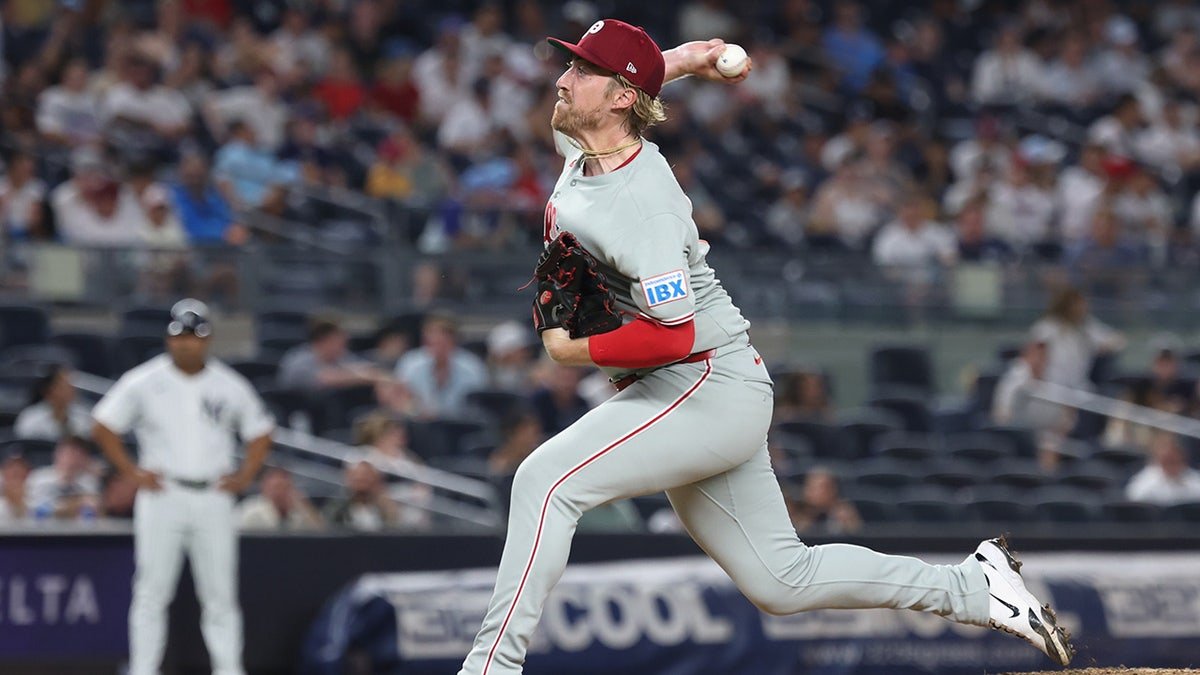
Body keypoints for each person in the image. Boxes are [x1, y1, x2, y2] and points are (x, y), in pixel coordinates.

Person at [456, 21, 1073, 675]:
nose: (562, 79)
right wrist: (690, 59)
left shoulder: (645, 208)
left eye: (581, 71)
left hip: (703, 384)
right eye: (571, 65)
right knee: (783, 579)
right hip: (697, 384)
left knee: (545, 482)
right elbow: (633, 78)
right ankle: (978, 588)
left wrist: (570, 351)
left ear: (617, 100)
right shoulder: (580, 134)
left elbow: (674, 333)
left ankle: (490, 666)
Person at [92, 299, 275, 675]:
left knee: (220, 594)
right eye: (181, 337)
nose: (187, 344)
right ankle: (144, 670)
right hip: (163, 494)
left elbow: (260, 432)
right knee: (151, 591)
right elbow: (104, 424)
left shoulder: (228, 384)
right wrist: (130, 471)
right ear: (169, 339)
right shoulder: (144, 380)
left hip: (213, 495)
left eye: (195, 337)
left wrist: (246, 476)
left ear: (207, 340)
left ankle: (228, 669)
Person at [1029, 286, 1125, 390]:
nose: (1083, 308)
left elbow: (1118, 341)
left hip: (1078, 387)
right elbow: (1034, 358)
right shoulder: (1046, 327)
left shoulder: (1087, 326)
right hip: (1050, 385)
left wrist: (1105, 346)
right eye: (1078, 305)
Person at [394, 315, 488, 419]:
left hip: (460, 425)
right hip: (419, 423)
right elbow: (401, 400)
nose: (437, 347)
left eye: (442, 342)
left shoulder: (472, 366)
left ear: (454, 341)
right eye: (432, 342)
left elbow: (479, 405)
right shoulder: (410, 363)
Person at [24, 435, 101, 520]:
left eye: (79, 453)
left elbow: (93, 512)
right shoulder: (39, 477)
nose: (73, 458)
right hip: (43, 531)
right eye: (69, 452)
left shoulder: (89, 481)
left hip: (78, 531)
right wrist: (76, 503)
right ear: (57, 453)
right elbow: (38, 513)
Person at [321, 461, 408, 531]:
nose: (361, 479)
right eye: (356, 477)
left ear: (376, 480)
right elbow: (326, 529)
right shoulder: (337, 506)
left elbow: (395, 528)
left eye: (366, 476)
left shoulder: (385, 506)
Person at [14, 364, 93, 440]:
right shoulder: (30, 418)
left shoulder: (84, 418)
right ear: (50, 389)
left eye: (71, 385)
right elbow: (23, 448)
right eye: (65, 386)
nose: (71, 389)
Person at [237, 467, 324, 531]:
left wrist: (305, 508)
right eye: (277, 487)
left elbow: (323, 534)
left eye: (286, 487)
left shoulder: (300, 511)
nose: (280, 492)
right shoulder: (250, 510)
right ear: (265, 488)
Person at [1125, 432, 1200, 505]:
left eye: (1174, 460)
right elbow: (1134, 498)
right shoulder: (1146, 481)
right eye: (1167, 460)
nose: (1172, 464)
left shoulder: (1194, 479)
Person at [787, 468, 862, 534]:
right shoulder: (798, 512)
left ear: (832, 490)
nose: (810, 491)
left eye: (817, 488)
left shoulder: (843, 513)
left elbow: (856, 535)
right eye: (809, 486)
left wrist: (847, 523)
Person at [0, 452, 30, 522]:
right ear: (3, 471)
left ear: (28, 471)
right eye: (10, 466)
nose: (15, 471)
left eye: (20, 466)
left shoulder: (36, 498)